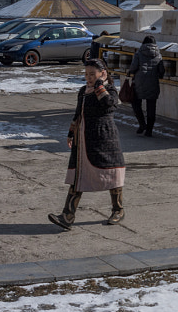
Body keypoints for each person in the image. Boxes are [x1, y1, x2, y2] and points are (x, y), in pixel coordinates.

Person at [50, 60, 127, 229]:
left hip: (104, 137)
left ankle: (118, 210)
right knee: (78, 175)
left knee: (112, 174)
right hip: (83, 139)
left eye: (93, 74)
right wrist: (71, 132)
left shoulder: (111, 90)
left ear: (103, 73)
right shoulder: (83, 91)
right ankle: (67, 216)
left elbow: (108, 105)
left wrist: (100, 86)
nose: (89, 78)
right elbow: (78, 113)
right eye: (86, 74)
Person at [129, 37, 163, 136]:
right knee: (151, 107)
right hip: (153, 83)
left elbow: (133, 67)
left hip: (139, 82)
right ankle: (149, 130)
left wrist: (131, 72)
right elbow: (161, 70)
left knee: (135, 103)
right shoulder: (159, 55)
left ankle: (142, 124)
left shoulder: (138, 53)